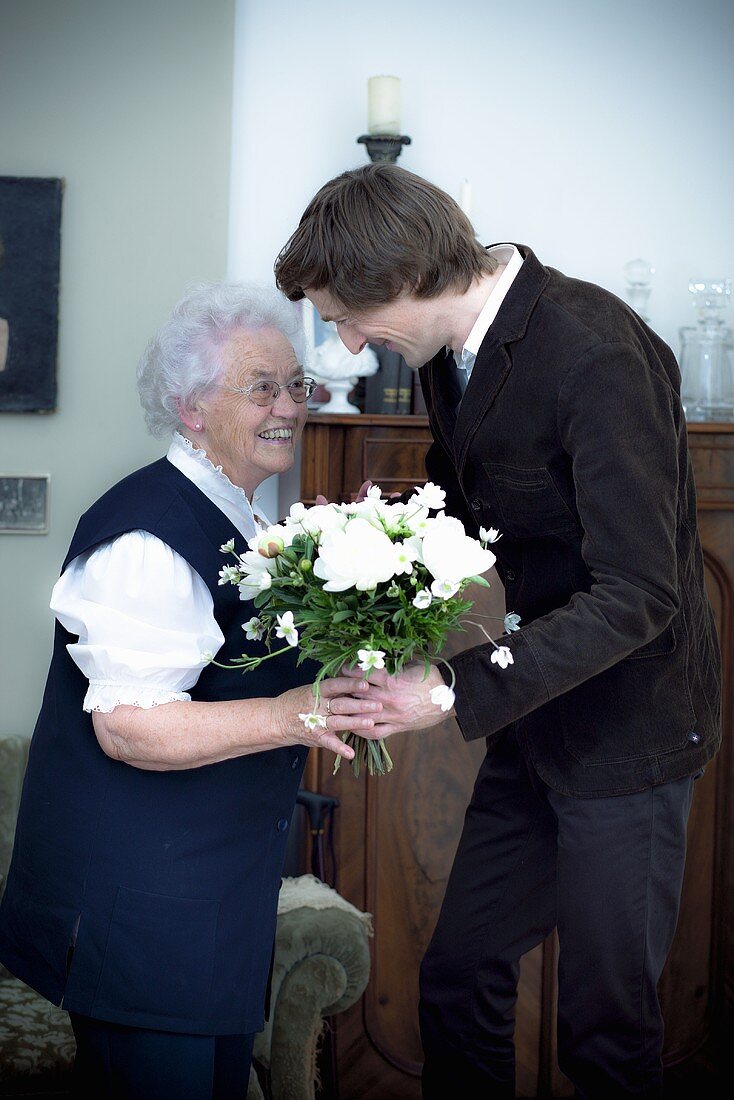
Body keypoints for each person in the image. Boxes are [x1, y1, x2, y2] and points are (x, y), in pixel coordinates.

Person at [274, 164, 722, 1099]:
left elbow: (642, 592)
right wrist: (379, 565)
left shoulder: (596, 351)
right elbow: (475, 495)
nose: (345, 343)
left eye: (349, 317)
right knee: (458, 976)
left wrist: (445, 690)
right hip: (537, 716)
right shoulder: (446, 351)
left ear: (410, 275)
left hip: (631, 729)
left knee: (606, 1030)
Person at [0, 283, 380, 1100]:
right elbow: (130, 729)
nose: (289, 407)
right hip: (139, 919)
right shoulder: (148, 534)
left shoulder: (239, 516)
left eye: (296, 386)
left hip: (201, 909)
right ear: (191, 405)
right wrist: (290, 715)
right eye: (262, 387)